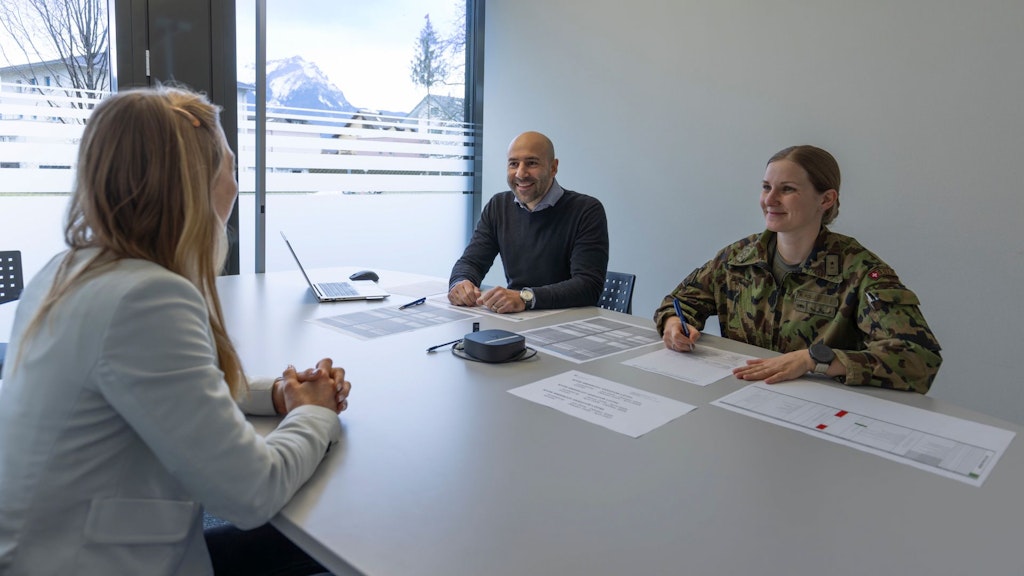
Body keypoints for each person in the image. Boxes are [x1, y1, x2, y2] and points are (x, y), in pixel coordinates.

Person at [0, 86, 348, 576]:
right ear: (194, 184)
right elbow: (252, 492)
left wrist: (274, 394)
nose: (234, 185)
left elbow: (153, 380)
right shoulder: (147, 299)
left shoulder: (66, 273)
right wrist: (314, 413)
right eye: (229, 167)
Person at [654, 145, 942, 393]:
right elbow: (680, 302)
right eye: (766, 187)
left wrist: (814, 360)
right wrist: (674, 324)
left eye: (787, 189)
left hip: (820, 411)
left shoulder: (860, 271)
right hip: (740, 397)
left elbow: (918, 358)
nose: (770, 200)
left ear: (826, 199)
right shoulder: (738, 258)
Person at [448, 131, 609, 313]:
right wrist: (461, 283)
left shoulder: (586, 210)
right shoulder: (498, 206)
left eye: (532, 163)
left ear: (553, 167)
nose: (520, 173)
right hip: (517, 319)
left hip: (567, 321)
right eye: (513, 164)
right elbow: (471, 262)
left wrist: (525, 298)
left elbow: (588, 286)